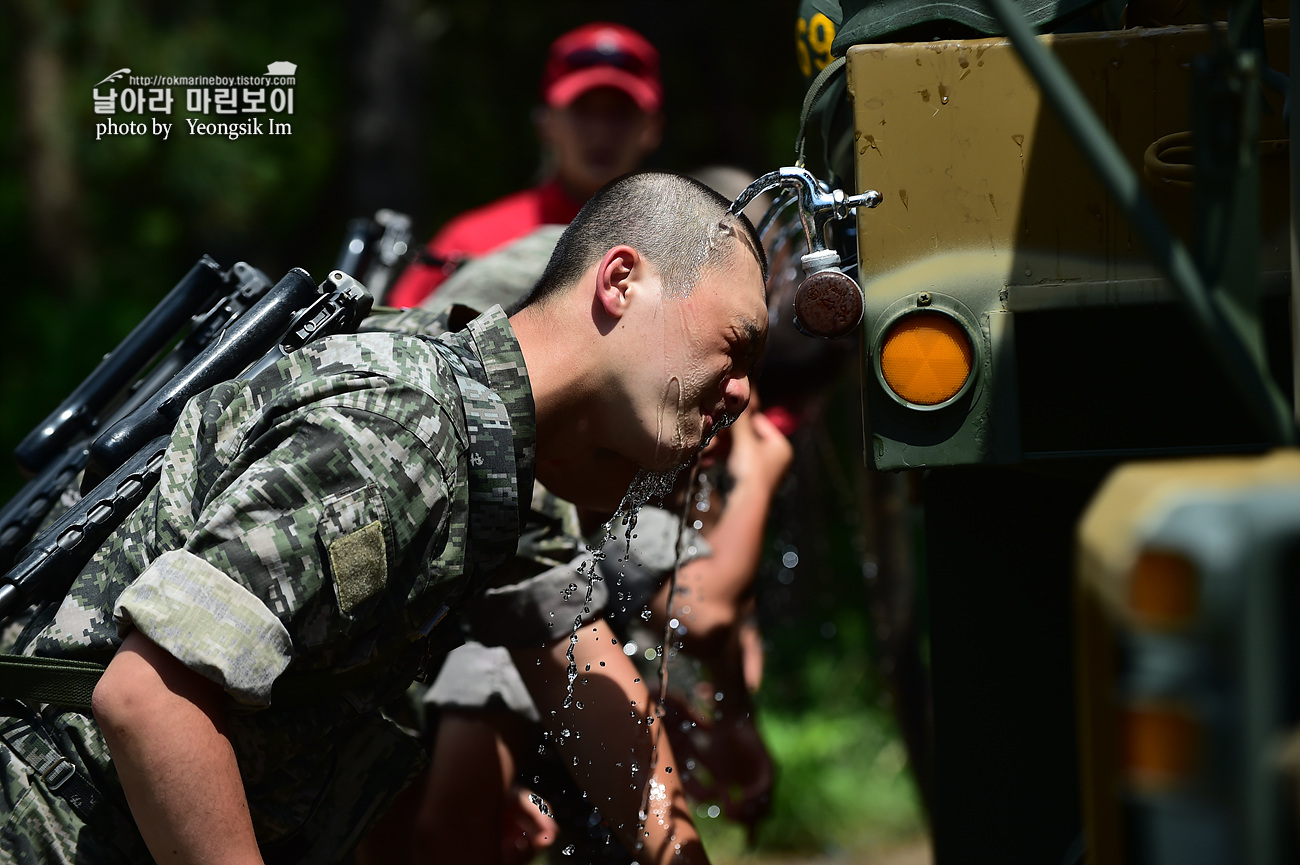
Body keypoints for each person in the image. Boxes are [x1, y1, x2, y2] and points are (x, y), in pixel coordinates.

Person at [0, 172, 768, 865]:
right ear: (621, 281)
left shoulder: (501, 458)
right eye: (736, 347)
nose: (741, 393)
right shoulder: (404, 430)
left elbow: (577, 659)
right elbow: (151, 698)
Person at [384, 22, 664, 308]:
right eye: (582, 112)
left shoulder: (684, 245)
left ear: (652, 128)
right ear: (547, 124)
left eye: (620, 114)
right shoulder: (471, 241)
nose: (600, 132)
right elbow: (394, 340)